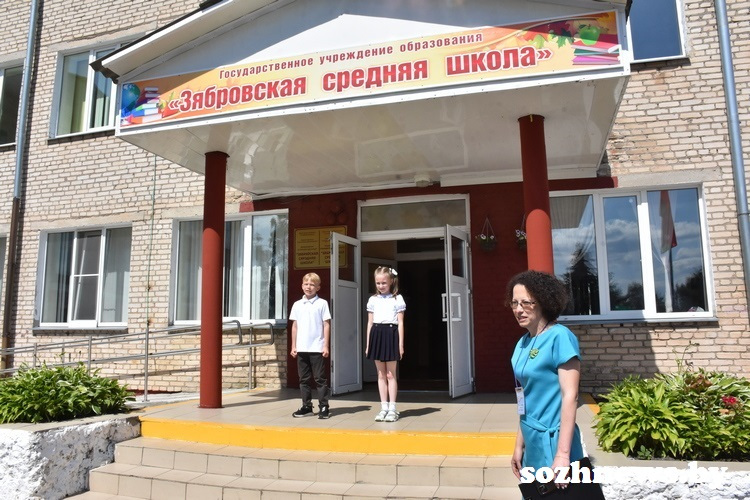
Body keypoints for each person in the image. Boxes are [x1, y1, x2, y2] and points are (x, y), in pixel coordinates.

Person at [507, 270, 584, 490]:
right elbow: (526, 396)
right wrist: (519, 444)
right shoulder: (522, 343)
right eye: (514, 303)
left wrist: (563, 455)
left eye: (526, 303)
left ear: (543, 302)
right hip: (531, 439)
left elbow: (570, 395)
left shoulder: (560, 337)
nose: (518, 309)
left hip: (555, 440)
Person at [365, 266, 405, 422]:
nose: (381, 286)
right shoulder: (373, 300)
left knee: (390, 374)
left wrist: (400, 344)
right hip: (377, 333)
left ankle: (393, 408)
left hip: (391, 333)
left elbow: (400, 323)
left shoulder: (397, 299)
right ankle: (384, 407)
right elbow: (370, 323)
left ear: (391, 282)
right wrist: (368, 344)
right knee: (381, 374)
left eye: (384, 283)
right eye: (378, 283)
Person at [289, 272, 332, 419]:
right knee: (304, 379)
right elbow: (295, 326)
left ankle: (324, 406)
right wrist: (293, 346)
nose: (308, 287)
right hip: (301, 347)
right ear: (302, 286)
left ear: (318, 287)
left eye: (312, 285)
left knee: (320, 379)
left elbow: (326, 325)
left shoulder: (322, 303)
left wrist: (325, 346)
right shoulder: (297, 304)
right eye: (306, 284)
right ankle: (306, 406)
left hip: (316, 347)